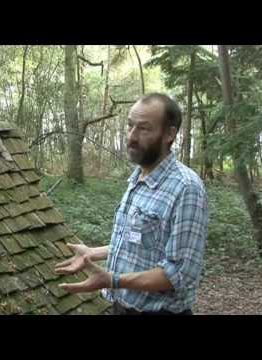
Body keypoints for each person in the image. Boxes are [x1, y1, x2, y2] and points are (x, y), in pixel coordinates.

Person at [55, 93, 208, 315]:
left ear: (169, 134)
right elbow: (141, 245)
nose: (131, 137)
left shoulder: (187, 188)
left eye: (144, 129)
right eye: (129, 126)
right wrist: (92, 252)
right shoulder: (138, 177)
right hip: (120, 308)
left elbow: (179, 273)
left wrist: (112, 280)